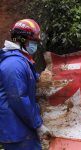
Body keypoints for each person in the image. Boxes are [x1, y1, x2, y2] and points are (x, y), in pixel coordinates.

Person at [0, 19, 51, 150]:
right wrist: (37, 124)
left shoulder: (21, 60)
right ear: (23, 40)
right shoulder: (14, 64)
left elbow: (29, 82)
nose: (35, 46)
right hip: (17, 131)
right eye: (34, 42)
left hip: (22, 127)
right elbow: (19, 98)